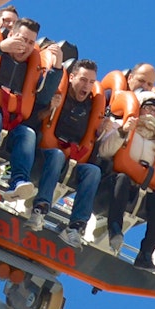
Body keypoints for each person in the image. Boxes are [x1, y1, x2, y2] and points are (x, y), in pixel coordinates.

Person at [0, 17, 64, 197]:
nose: (25, 46)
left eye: (31, 42)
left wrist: (56, 69)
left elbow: (43, 97)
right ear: (11, 35)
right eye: (22, 39)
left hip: (10, 124)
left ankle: (18, 181)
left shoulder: (32, 67)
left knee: (28, 133)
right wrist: (0, 48)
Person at [97, 88, 155, 267]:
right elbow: (104, 152)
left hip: (141, 190)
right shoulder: (120, 125)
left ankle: (146, 254)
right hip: (114, 183)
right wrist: (123, 132)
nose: (151, 113)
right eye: (148, 108)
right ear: (139, 108)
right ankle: (115, 229)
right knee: (122, 180)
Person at [26, 60, 104, 248]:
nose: (86, 86)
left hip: (72, 160)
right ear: (72, 77)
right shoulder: (57, 93)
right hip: (45, 155)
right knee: (57, 155)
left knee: (93, 171)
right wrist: (49, 108)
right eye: (83, 80)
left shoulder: (92, 106)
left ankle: (75, 228)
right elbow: (32, 118)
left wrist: (103, 131)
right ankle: (39, 210)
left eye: (91, 82)